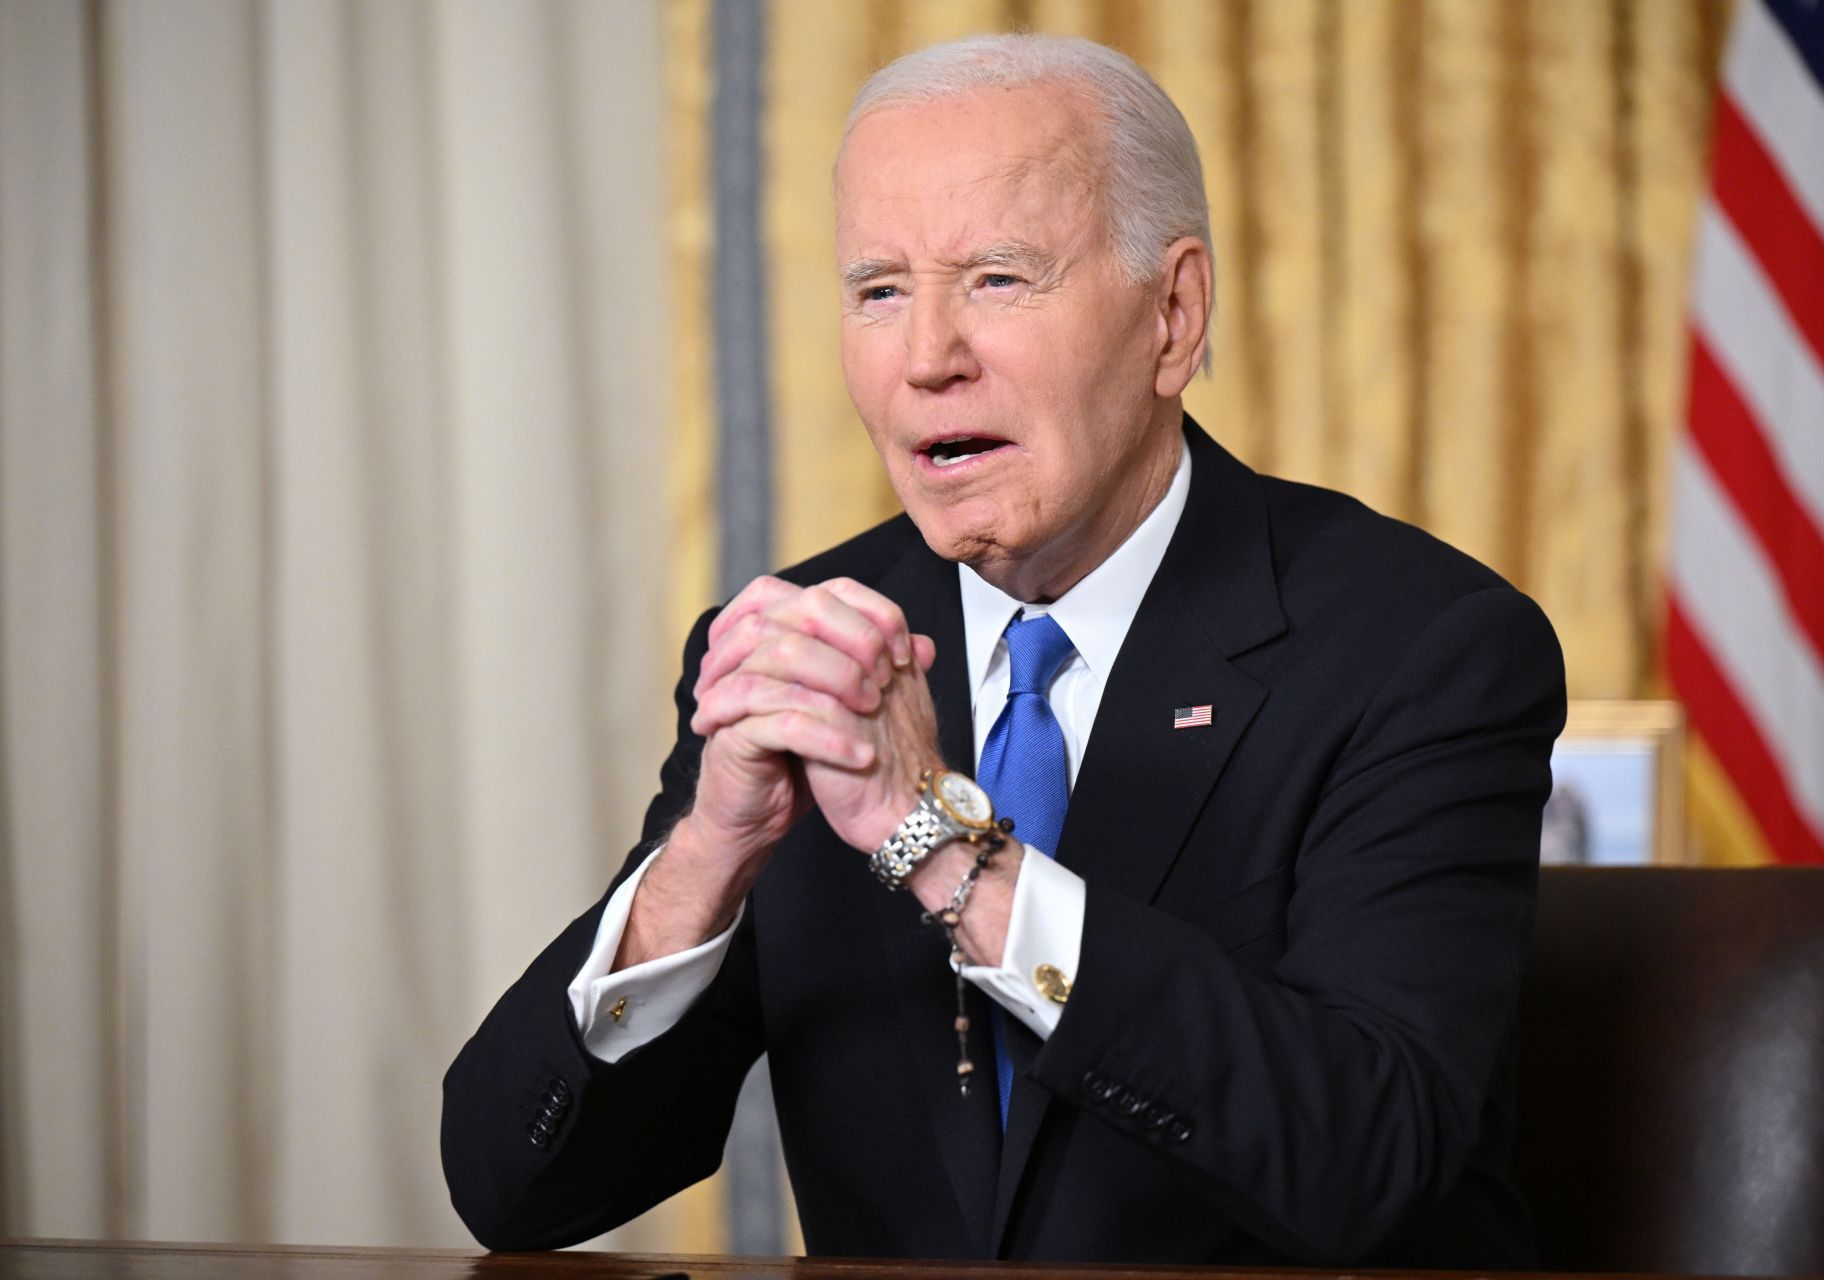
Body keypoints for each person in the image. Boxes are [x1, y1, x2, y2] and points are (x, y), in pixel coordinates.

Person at [441, 33, 1565, 1268]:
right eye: (878, 289)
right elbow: (514, 1192)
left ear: (1173, 314)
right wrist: (703, 862)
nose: (927, 357)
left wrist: (936, 843)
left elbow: (1374, 1159)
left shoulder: (1421, 647)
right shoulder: (812, 645)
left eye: (997, 279)